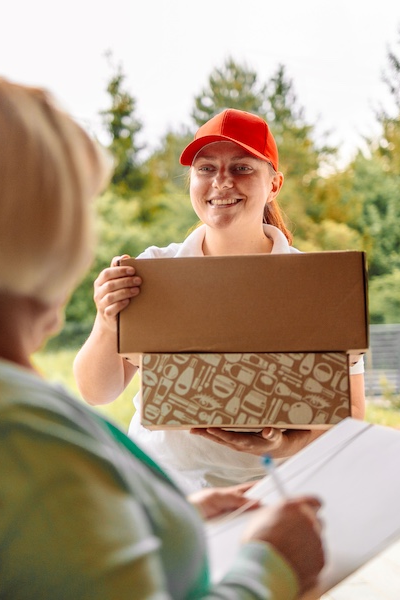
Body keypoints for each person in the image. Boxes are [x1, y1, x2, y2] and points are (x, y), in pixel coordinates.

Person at [0, 64, 325, 599]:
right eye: (76, 211)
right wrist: (270, 566)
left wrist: (156, 522)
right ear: (21, 229)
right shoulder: (16, 439)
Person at [74, 108, 366, 494]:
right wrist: (106, 320)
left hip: (275, 489)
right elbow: (97, 393)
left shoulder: (316, 284)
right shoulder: (154, 271)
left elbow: (351, 413)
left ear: (274, 185)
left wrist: (285, 445)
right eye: (206, 169)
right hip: (167, 487)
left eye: (242, 168)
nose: (222, 182)